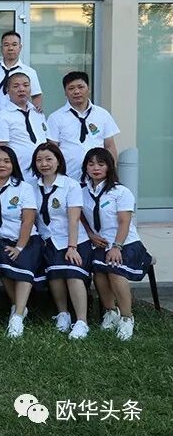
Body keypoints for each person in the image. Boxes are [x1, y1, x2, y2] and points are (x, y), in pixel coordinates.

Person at [81, 148, 153, 341]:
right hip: (101, 243)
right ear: (85, 167)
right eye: (91, 164)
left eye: (101, 164)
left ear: (109, 167)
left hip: (125, 242)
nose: (96, 168)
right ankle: (111, 312)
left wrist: (117, 246)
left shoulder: (120, 191)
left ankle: (127, 317)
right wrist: (90, 234)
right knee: (99, 270)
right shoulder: (83, 192)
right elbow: (80, 215)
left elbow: (124, 222)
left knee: (114, 269)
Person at [0, 146, 41, 338]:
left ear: (13, 165)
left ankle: (17, 317)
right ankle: (19, 306)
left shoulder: (24, 188)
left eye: (6, 161)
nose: (1, 165)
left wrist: (19, 246)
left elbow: (28, 220)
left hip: (26, 239)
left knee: (23, 268)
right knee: (2, 263)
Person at [31, 142, 92, 340]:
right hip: (50, 240)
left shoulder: (70, 185)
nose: (44, 164)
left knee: (72, 274)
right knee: (55, 275)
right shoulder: (32, 187)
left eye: (49, 159)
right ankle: (63, 314)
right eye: (39, 160)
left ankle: (81, 321)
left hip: (75, 240)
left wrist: (72, 247)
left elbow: (74, 219)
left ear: (58, 161)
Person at [47, 71, 120, 182]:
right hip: (68, 178)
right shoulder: (56, 117)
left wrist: (111, 173)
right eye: (71, 88)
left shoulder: (102, 114)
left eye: (81, 87)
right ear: (65, 92)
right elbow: (52, 150)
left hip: (97, 178)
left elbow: (109, 146)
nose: (76, 91)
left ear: (88, 89)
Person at [0, 72, 54, 176]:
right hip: (19, 175)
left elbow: (48, 142)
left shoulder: (38, 113)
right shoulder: (1, 117)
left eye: (26, 85)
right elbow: (0, 151)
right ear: (7, 90)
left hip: (43, 173)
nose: (22, 89)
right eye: (16, 86)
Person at [0, 31, 42, 116]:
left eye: (14, 44)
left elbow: (36, 95)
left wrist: (34, 115)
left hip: (20, 119)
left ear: (20, 47)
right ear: (1, 48)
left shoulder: (29, 72)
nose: (10, 48)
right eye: (6, 45)